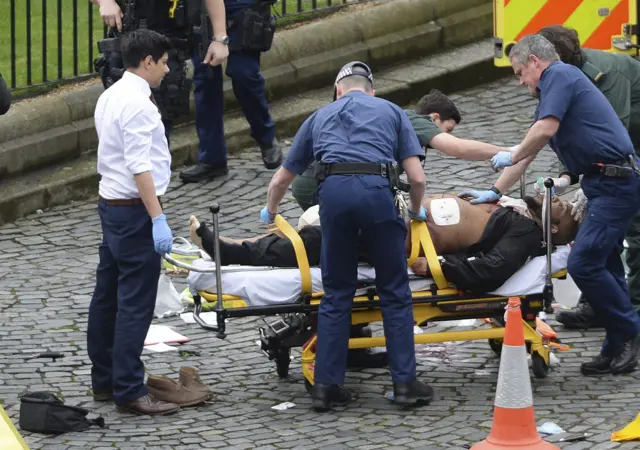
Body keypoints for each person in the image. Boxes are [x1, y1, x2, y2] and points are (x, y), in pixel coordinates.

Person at [257, 61, 435, 412]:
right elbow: (417, 179)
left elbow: (280, 180)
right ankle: (404, 386)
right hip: (376, 194)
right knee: (394, 292)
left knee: (337, 292)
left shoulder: (319, 116)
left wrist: (272, 212)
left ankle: (326, 386)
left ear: (338, 91)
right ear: (371, 89)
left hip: (333, 198)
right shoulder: (391, 112)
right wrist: (414, 212)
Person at [483, 34, 640, 376]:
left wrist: (510, 153)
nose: (519, 79)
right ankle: (615, 346)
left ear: (536, 62)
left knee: (584, 263)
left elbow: (542, 132)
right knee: (606, 263)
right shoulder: (556, 88)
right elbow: (534, 146)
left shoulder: (560, 76)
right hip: (603, 182)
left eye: (519, 70)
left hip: (615, 184)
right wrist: (495, 191)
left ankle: (630, 331)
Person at [188, 192, 580, 292]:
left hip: (403, 238)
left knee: (318, 242)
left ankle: (233, 250)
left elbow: (491, 271)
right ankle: (235, 244)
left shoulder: (526, 234)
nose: (560, 202)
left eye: (561, 212)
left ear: (555, 232)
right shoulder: (515, 209)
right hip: (397, 216)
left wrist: (439, 268)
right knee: (316, 234)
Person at [88, 29, 180, 415]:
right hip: (133, 210)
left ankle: (105, 380)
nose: (167, 68)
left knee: (107, 293)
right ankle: (128, 388)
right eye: (164, 62)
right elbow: (140, 165)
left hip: (110, 204)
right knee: (134, 302)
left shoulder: (110, 95)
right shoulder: (140, 105)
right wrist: (157, 217)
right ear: (147, 62)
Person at [533, 25, 640, 329]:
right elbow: (566, 130)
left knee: (634, 228)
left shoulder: (607, 76)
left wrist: (588, 180)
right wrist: (569, 174)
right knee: (603, 231)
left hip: (628, 151)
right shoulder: (561, 76)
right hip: (618, 155)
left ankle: (632, 309)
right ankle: (602, 304)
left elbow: (610, 134)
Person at [291, 89, 512, 211]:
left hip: (316, 179)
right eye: (447, 129)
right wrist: (510, 151)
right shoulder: (415, 121)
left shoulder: (397, 118)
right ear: (433, 118)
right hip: (323, 181)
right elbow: (459, 148)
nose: (448, 135)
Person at [92, 0, 229, 143]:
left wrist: (220, 38)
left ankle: (153, 164)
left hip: (165, 48)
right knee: (122, 120)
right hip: (127, 47)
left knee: (159, 124)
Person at [178, 0, 282, 182]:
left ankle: (266, 136)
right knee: (205, 80)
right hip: (202, 9)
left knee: (244, 74)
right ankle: (212, 159)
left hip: (242, 6)